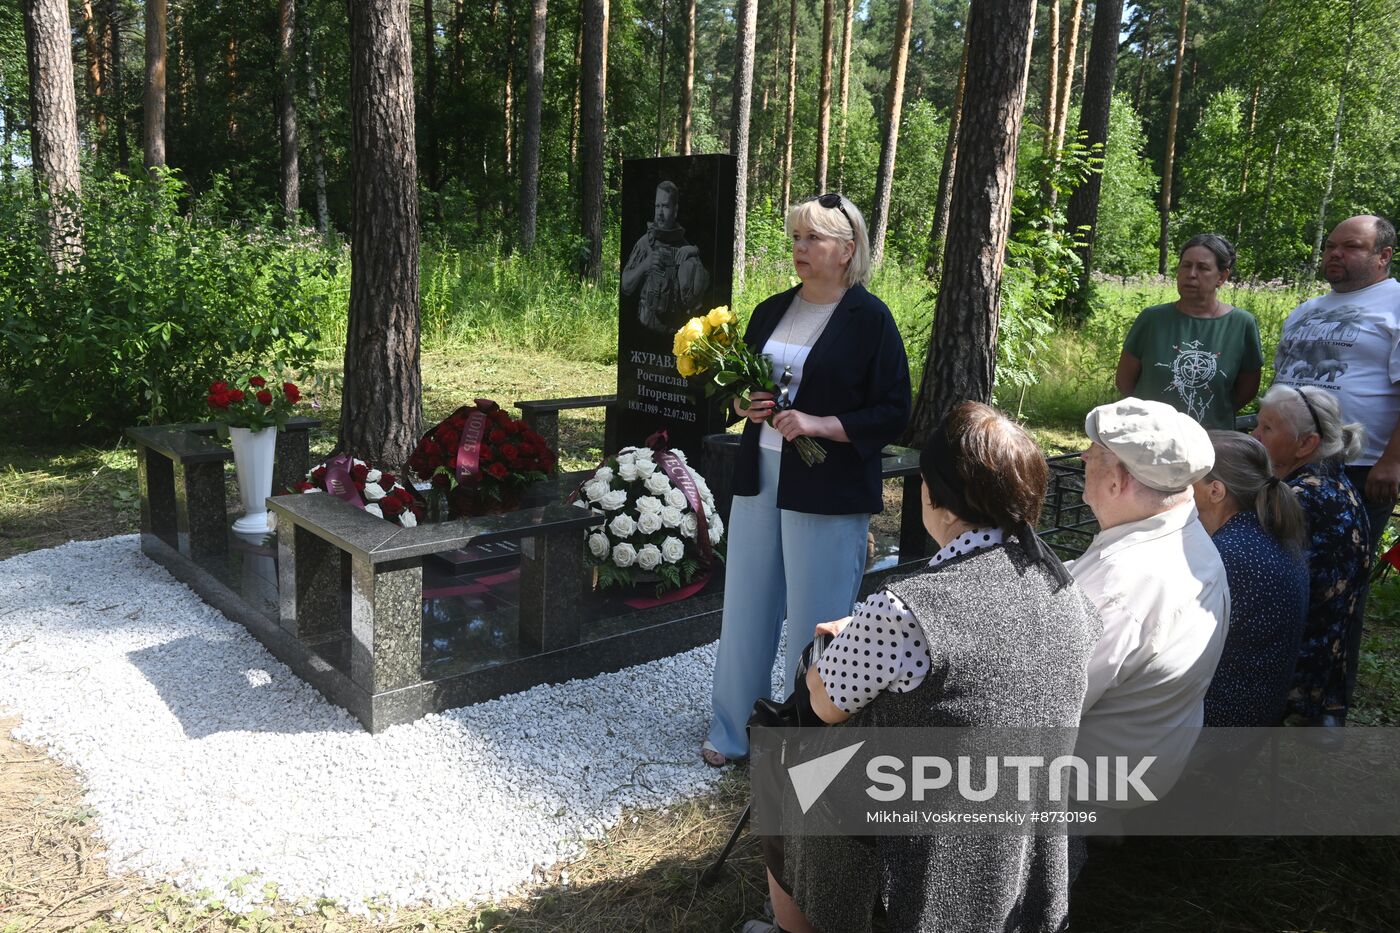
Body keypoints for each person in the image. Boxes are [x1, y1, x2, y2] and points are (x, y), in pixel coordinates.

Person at [747, 402, 1100, 933]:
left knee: (782, 763)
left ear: (940, 502)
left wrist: (855, 637)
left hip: (920, 836)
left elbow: (821, 704)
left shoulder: (907, 612)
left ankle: (800, 924)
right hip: (1023, 811)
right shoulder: (1061, 584)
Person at [702, 193, 910, 768]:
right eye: (796, 237)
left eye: (812, 238)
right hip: (761, 475)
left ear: (846, 251)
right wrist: (746, 402)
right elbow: (738, 385)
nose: (799, 247)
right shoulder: (771, 310)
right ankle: (732, 730)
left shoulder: (871, 321)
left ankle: (803, 745)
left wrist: (820, 424)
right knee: (746, 604)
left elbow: (895, 411)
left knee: (816, 617)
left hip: (828, 485)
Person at [1070, 398, 1230, 804]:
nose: (1085, 456)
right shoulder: (1188, 535)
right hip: (1154, 752)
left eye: (1096, 453)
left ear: (1116, 481)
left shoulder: (1122, 584)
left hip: (1093, 778)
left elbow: (1042, 699)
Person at [1252, 384, 1371, 725]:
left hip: (1292, 667)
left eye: (1268, 428)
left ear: (1306, 444)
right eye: (1258, 424)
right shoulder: (1336, 482)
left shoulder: (1297, 498)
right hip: (1322, 661)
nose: (1255, 435)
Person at [1194, 431, 1309, 727]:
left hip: (1219, 723)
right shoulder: (1267, 532)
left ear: (1215, 491)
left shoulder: (1228, 554)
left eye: (1185, 477)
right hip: (1257, 712)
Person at [1115, 234, 1264, 430]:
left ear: (1222, 276)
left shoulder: (1242, 324)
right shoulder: (1152, 319)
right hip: (1149, 438)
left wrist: (1212, 415)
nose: (1191, 274)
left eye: (1202, 268)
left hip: (1212, 441)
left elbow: (1247, 390)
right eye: (1186, 265)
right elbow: (1124, 381)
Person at [620, 180, 711, 334]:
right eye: (657, 206)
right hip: (645, 331)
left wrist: (694, 256)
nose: (660, 213)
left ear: (675, 210)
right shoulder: (645, 243)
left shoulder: (685, 248)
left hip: (676, 334)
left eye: (665, 206)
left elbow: (698, 298)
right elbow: (625, 286)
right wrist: (644, 266)